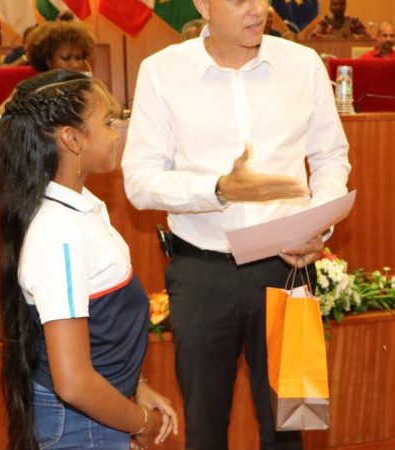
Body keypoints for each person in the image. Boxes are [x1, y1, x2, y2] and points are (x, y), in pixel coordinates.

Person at [122, 0, 351, 447]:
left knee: (292, 421)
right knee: (205, 424)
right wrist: (219, 189)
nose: (257, 10)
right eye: (239, 0)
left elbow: (331, 158)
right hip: (203, 273)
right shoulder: (162, 71)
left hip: (287, 268)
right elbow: (140, 182)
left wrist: (317, 227)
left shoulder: (302, 64)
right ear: (203, 6)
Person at [0, 69, 179, 450]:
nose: (118, 132)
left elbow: (99, 330)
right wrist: (141, 423)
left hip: (96, 411)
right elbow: (75, 382)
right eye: (108, 122)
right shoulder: (59, 233)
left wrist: (136, 385)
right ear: (71, 138)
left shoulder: (81, 208)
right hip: (82, 423)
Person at [0, 20, 95, 114]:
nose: (75, 64)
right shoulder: (30, 89)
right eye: (66, 58)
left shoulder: (87, 88)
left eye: (79, 58)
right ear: (48, 61)